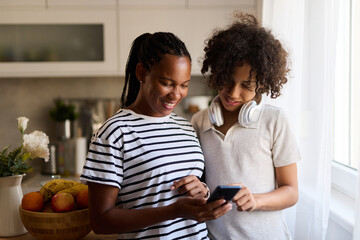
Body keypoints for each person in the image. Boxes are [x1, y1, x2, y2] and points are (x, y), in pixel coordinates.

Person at [80, 32, 232, 239]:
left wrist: (202, 192)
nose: (176, 94)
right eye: (167, 83)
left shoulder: (185, 128)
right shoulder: (114, 133)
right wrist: (174, 211)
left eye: (184, 85)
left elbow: (181, 190)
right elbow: (100, 221)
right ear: (141, 73)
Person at [191, 13, 301, 239]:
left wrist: (256, 200)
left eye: (246, 85)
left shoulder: (275, 121)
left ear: (262, 84)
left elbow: (291, 192)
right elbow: (199, 181)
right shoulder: (200, 121)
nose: (232, 93)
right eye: (227, 80)